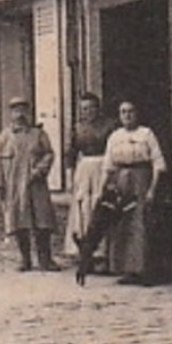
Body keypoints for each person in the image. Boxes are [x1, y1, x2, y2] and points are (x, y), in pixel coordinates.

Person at [103, 99, 167, 285]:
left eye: (131, 111)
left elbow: (158, 164)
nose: (127, 115)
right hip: (122, 181)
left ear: (137, 113)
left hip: (141, 178)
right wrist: (106, 188)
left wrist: (152, 189)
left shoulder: (146, 134)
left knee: (141, 223)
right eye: (123, 112)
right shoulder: (115, 136)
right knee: (123, 224)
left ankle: (144, 270)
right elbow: (109, 165)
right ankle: (127, 270)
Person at [0, 98, 60, 272]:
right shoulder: (5, 136)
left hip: (36, 184)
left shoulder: (38, 134)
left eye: (23, 110)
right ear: (11, 114)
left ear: (29, 113)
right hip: (15, 185)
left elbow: (49, 154)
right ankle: (25, 259)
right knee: (19, 222)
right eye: (16, 110)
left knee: (42, 222)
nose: (20, 114)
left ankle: (46, 259)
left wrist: (39, 170)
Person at [64, 92, 113, 274]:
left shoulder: (108, 126)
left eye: (92, 108)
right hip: (84, 170)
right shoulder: (77, 128)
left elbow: (113, 148)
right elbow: (70, 153)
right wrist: (70, 176)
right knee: (83, 210)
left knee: (100, 208)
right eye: (84, 109)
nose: (88, 112)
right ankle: (86, 255)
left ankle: (103, 255)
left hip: (103, 166)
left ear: (98, 109)